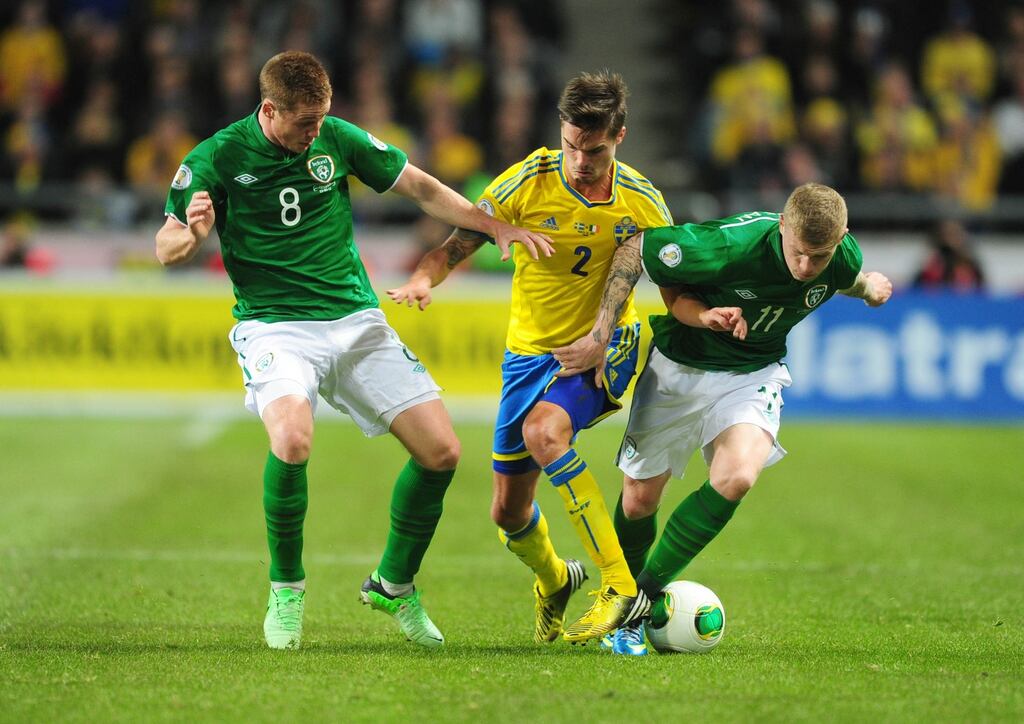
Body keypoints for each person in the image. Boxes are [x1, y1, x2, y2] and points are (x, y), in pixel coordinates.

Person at [155, 51, 553, 650]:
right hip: (275, 327)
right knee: (291, 439)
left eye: (322, 119)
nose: (315, 131)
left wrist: (491, 225)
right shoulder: (216, 156)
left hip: (355, 320)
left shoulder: (335, 137)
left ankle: (394, 585)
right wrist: (191, 236)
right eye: (304, 122)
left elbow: (418, 184)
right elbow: (165, 243)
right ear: (270, 110)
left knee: (442, 452)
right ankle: (287, 591)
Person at [388, 71, 673, 644]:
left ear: (619, 135)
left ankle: (620, 587)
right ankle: (554, 579)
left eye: (593, 150)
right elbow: (455, 244)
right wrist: (423, 280)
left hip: (600, 348)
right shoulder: (526, 181)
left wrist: (615, 335)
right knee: (508, 513)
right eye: (570, 145)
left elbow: (668, 274)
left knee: (547, 434)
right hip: (527, 357)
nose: (579, 161)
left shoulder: (642, 201)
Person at [554, 183, 893, 655]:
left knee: (736, 477)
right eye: (798, 253)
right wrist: (689, 317)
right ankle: (625, 592)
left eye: (819, 257)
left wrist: (867, 287)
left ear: (841, 239)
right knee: (637, 503)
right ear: (782, 226)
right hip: (680, 368)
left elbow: (842, 276)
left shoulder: (841, 258)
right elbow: (638, 252)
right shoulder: (729, 245)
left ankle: (635, 601)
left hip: (752, 375)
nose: (805, 268)